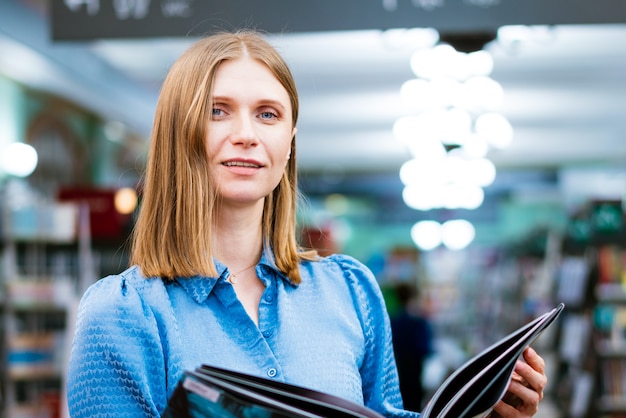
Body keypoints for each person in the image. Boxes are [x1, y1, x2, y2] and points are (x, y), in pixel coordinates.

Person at [66, 29, 548, 417]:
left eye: (268, 115)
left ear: (290, 141)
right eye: (219, 112)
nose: (246, 135)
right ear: (179, 133)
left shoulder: (349, 290)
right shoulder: (123, 314)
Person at [390, 282, 434, 411]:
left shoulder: (393, 321)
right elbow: (426, 349)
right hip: (415, 375)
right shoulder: (418, 322)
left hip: (398, 375)